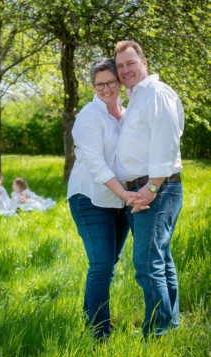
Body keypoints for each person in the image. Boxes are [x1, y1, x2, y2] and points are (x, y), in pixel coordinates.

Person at [67, 58, 147, 341]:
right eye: (99, 84)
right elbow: (97, 166)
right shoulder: (89, 116)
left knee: (107, 266)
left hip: (118, 203)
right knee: (101, 265)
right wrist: (125, 193)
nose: (106, 88)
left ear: (119, 82)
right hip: (89, 198)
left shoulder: (127, 114)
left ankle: (90, 319)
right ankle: (99, 334)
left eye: (111, 82)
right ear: (93, 86)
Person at [114, 40, 184, 339]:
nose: (125, 70)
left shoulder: (156, 92)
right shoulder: (136, 99)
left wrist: (152, 186)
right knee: (160, 259)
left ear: (144, 61)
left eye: (130, 63)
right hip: (144, 188)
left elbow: (166, 139)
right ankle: (170, 324)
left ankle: (157, 334)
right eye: (119, 66)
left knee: (146, 263)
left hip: (157, 187)